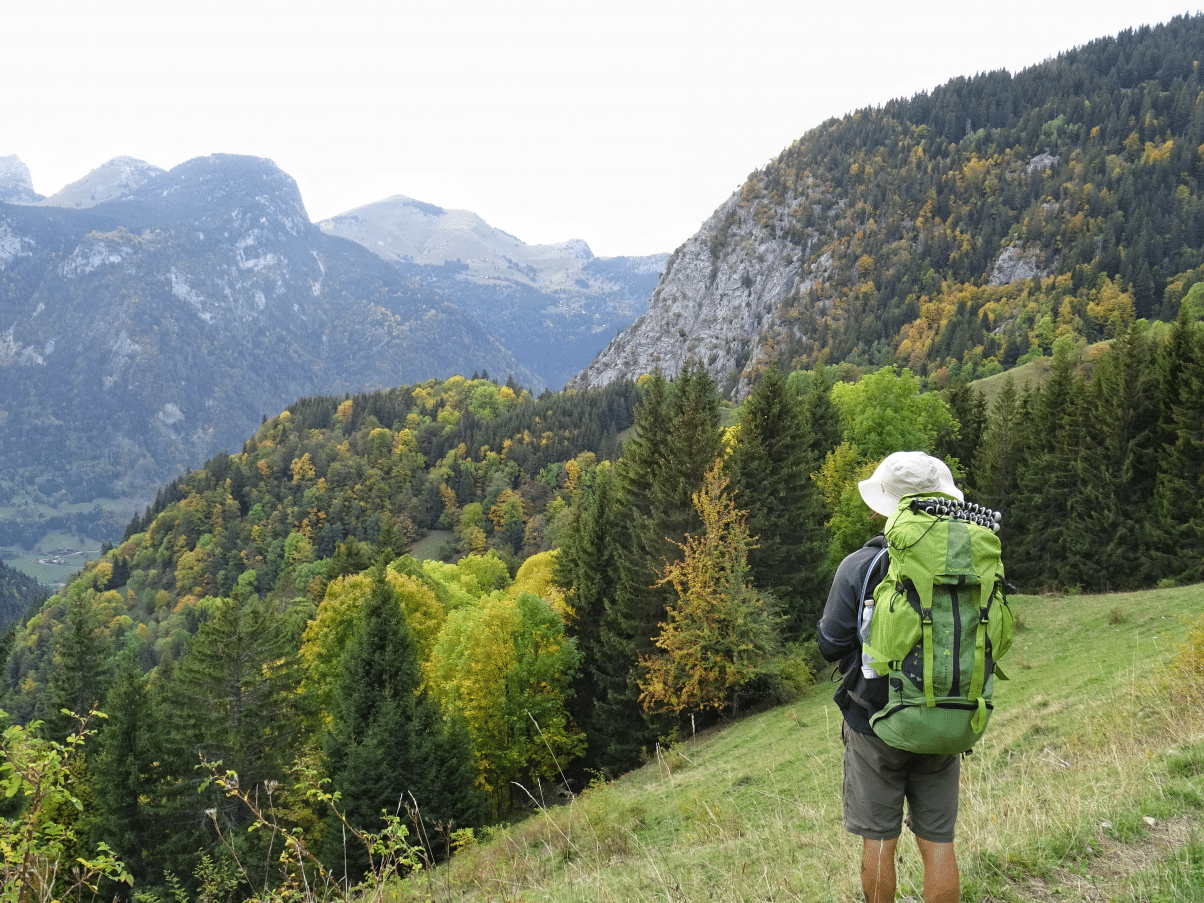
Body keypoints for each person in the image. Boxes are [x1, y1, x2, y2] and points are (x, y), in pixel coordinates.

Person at [816, 451, 965, 903]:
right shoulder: (965, 559)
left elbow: (829, 645)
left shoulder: (860, 565)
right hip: (945, 714)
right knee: (938, 841)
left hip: (874, 719)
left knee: (879, 838)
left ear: (886, 503)